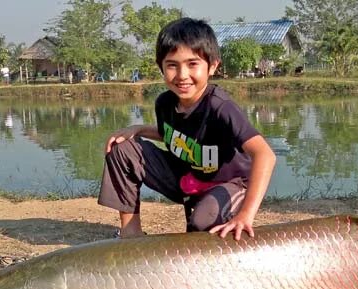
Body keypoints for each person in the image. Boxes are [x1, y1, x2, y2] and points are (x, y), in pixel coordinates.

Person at [98, 17, 276, 241]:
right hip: (187, 179)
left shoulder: (220, 106)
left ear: (212, 66)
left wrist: (246, 215)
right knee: (122, 148)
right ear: (161, 67)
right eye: (172, 65)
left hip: (229, 184)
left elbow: (265, 154)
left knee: (203, 225)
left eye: (193, 64)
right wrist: (140, 129)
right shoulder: (164, 103)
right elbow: (174, 136)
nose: (182, 75)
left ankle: (221, 211)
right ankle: (130, 231)